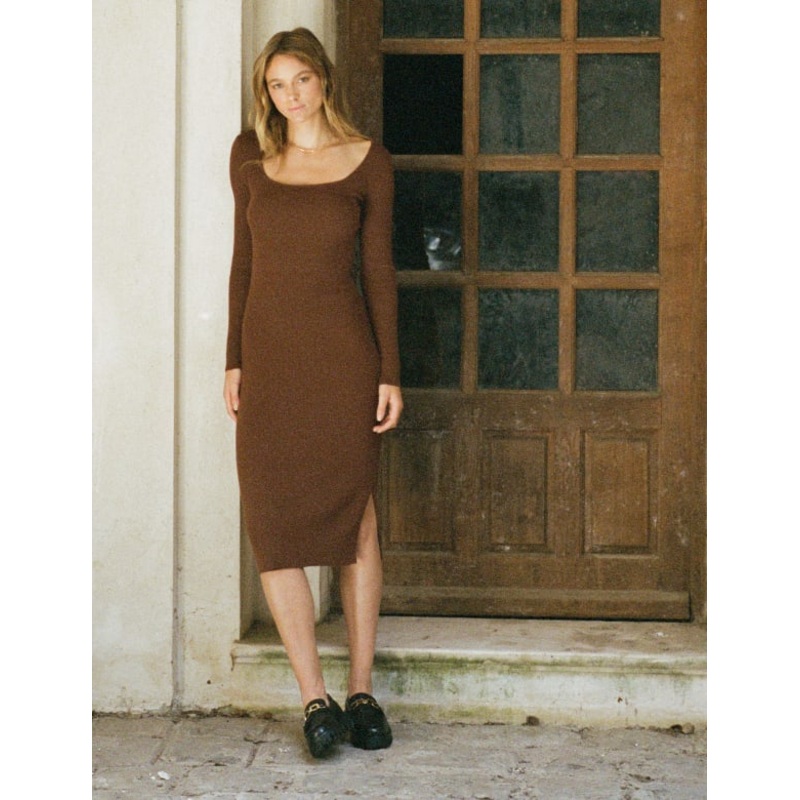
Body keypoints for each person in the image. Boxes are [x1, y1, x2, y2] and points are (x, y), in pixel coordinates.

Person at [223, 27, 403, 759]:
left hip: (343, 362)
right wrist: (233, 359)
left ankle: (360, 692)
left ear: (324, 79)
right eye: (277, 84)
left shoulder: (368, 160)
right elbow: (242, 264)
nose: (290, 95)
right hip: (268, 363)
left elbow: (380, 272)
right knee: (272, 524)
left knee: (355, 523)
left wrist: (390, 371)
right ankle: (314, 699)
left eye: (300, 79)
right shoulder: (250, 157)